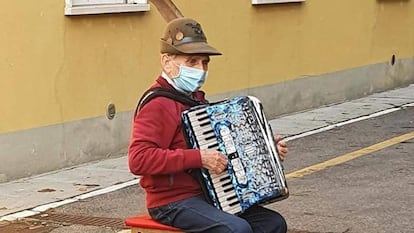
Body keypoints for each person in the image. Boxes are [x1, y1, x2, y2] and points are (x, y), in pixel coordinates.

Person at [128, 17, 289, 233]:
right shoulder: (158, 104)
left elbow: (226, 149)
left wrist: (266, 151)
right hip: (172, 201)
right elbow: (139, 159)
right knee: (236, 230)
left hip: (208, 192)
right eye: (192, 61)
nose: (201, 69)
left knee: (273, 223)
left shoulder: (194, 99)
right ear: (167, 62)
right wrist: (199, 157)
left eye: (204, 62)